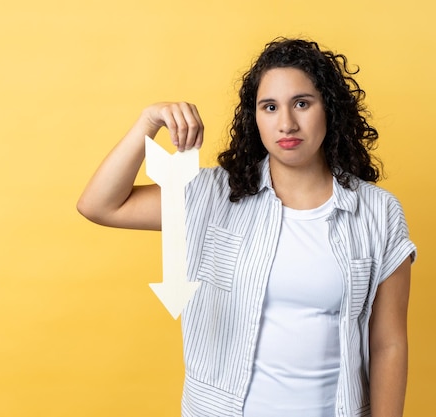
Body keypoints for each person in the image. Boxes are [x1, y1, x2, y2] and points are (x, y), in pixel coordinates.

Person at [77, 38, 416, 417]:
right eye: (269, 107)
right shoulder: (212, 196)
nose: (286, 123)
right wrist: (148, 121)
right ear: (254, 118)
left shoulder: (377, 213)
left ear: (329, 110)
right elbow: (100, 205)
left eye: (302, 103)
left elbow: (388, 343)